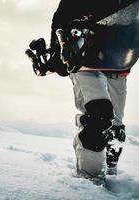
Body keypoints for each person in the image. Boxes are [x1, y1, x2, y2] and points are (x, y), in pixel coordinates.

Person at [50, 0, 139, 183]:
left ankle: (110, 172)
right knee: (99, 116)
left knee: (115, 128)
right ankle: (90, 182)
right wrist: (59, 53)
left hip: (116, 65)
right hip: (85, 62)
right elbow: (61, 21)